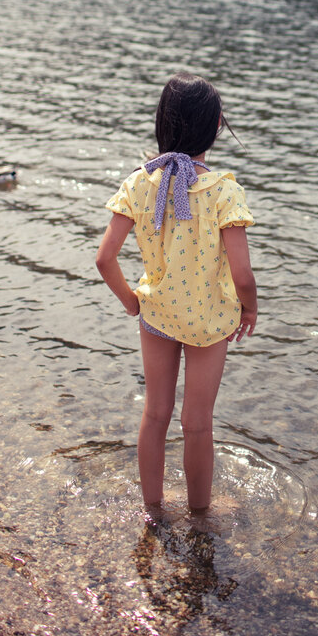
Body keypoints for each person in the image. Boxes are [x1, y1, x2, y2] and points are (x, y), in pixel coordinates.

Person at [96, 72, 258, 514]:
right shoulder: (224, 190)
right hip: (208, 321)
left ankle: (152, 509)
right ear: (215, 127)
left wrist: (132, 302)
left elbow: (105, 258)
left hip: (157, 316)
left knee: (155, 414)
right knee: (197, 423)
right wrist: (250, 309)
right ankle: (200, 516)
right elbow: (242, 274)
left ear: (161, 123)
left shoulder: (140, 182)